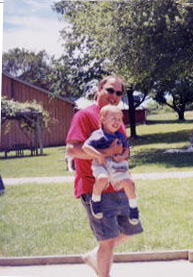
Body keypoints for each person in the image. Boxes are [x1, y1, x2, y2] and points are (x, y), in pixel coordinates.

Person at [66, 75, 143, 277]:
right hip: (94, 188)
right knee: (108, 240)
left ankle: (95, 256)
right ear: (98, 90)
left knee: (130, 230)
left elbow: (122, 152)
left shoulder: (117, 120)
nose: (114, 95)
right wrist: (105, 153)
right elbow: (72, 150)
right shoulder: (84, 115)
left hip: (117, 185)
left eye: (119, 93)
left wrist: (127, 172)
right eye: (110, 90)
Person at [82, 105, 139, 224]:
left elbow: (126, 149)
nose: (117, 122)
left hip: (116, 163)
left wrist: (122, 156)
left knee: (128, 183)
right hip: (101, 164)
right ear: (102, 119)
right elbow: (85, 147)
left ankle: (133, 208)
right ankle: (95, 200)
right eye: (113, 118)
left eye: (119, 119)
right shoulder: (98, 135)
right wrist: (98, 155)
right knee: (102, 179)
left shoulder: (120, 135)